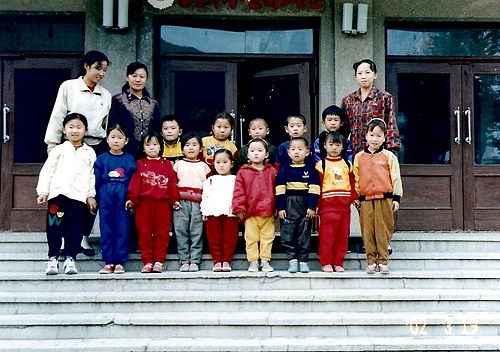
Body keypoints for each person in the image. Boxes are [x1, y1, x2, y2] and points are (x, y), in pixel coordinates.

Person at [44, 50, 111, 257]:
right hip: (69, 145)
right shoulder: (69, 87)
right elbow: (58, 114)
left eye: (105, 70)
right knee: (66, 190)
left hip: (95, 147)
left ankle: (83, 236)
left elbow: (105, 125)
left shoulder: (106, 95)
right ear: (86, 66)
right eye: (98, 68)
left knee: (90, 191)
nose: (101, 73)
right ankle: (63, 239)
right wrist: (52, 143)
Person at [37, 113, 97, 275]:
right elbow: (48, 170)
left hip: (79, 197)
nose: (75, 131)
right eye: (71, 127)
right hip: (58, 194)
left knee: (75, 228)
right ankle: (53, 258)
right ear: (64, 129)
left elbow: (91, 174)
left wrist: (90, 195)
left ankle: (71, 258)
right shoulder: (59, 150)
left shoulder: (89, 152)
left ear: (86, 130)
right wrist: (43, 191)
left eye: (79, 127)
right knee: (54, 227)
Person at [353, 119, 403, 274]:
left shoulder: (389, 156)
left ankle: (383, 260)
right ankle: (370, 260)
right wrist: (355, 196)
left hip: (384, 197)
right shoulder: (359, 157)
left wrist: (396, 197)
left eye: (378, 136)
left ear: (384, 137)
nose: (375, 139)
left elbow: (396, 177)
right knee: (368, 230)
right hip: (366, 199)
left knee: (383, 229)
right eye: (371, 135)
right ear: (366, 136)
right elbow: (355, 177)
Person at [126, 132, 179, 273]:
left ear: (160, 146)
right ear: (143, 148)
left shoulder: (167, 165)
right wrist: (132, 199)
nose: (152, 148)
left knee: (162, 233)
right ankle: (148, 261)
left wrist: (174, 200)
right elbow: (135, 183)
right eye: (148, 145)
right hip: (144, 204)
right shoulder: (140, 164)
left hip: (162, 204)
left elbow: (172, 184)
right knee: (144, 233)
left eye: (155, 144)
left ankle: (159, 261)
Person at [94, 124, 136, 274]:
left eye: (120, 137)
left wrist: (132, 199)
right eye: (113, 137)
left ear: (126, 141)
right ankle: (108, 260)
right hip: (106, 194)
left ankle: (119, 261)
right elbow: (97, 180)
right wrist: (95, 198)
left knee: (122, 227)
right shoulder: (102, 159)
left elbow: (134, 181)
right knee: (106, 227)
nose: (116, 141)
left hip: (123, 195)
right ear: (107, 139)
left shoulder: (129, 159)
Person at [276, 137, 320, 273]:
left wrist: (311, 206)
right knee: (289, 231)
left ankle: (303, 260)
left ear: (307, 152)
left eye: (300, 149)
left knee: (304, 231)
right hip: (289, 203)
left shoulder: (311, 170)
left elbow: (314, 189)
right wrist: (281, 208)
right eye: (293, 149)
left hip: (305, 203)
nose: (296, 152)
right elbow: (279, 190)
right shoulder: (284, 170)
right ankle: (292, 259)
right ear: (288, 152)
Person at [315, 131, 358, 273]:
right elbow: (318, 186)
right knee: (327, 236)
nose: (334, 147)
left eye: (338, 145)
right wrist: (317, 205)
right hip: (328, 207)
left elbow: (352, 184)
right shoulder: (321, 165)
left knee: (342, 236)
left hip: (344, 207)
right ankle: (326, 262)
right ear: (325, 146)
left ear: (343, 147)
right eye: (331, 144)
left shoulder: (347, 164)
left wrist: (354, 198)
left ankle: (338, 262)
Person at [232, 138, 277, 272]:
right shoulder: (243, 172)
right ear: (247, 154)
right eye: (252, 151)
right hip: (250, 212)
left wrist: (278, 207)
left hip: (268, 211)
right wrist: (239, 208)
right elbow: (238, 191)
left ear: (266, 154)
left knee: (267, 238)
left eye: (259, 150)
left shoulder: (272, 171)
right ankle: (252, 261)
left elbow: (277, 190)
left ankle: (265, 260)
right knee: (250, 238)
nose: (256, 153)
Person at [340, 58, 401, 156]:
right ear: (355, 77)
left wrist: (391, 153)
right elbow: (343, 130)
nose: (363, 77)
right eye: (360, 73)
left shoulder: (384, 98)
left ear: (375, 75)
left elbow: (391, 126)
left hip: (378, 153)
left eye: (367, 72)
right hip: (355, 154)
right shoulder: (348, 100)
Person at [173, 132, 211, 272]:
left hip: (198, 203)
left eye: (194, 145)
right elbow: (172, 184)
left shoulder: (204, 166)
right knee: (181, 231)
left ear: (200, 148)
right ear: (182, 148)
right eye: (187, 145)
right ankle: (184, 260)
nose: (191, 148)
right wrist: (174, 200)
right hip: (180, 203)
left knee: (196, 231)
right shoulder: (177, 165)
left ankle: (195, 260)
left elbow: (209, 186)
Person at [108, 61, 161, 159]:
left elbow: (156, 129)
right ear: (127, 77)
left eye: (142, 76)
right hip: (125, 151)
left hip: (148, 152)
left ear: (146, 79)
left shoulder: (153, 103)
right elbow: (113, 126)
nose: (138, 80)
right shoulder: (118, 100)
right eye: (134, 76)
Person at [201, 149, 239, 272]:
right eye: (218, 162)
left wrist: (239, 209)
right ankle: (217, 260)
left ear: (231, 164)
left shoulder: (236, 179)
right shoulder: (210, 180)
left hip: (230, 213)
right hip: (213, 212)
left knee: (229, 238)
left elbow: (239, 195)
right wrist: (204, 211)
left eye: (225, 162)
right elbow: (205, 196)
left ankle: (227, 260)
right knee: (214, 238)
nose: (221, 165)